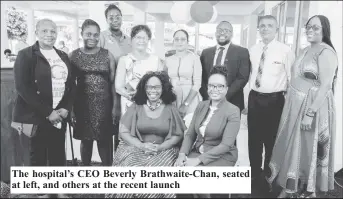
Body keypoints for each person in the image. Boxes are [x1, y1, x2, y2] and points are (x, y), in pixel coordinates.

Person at [266, 15, 338, 198]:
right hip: (295, 107)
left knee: (307, 148)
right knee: (295, 148)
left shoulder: (326, 52)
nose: (310, 30)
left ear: (324, 30)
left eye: (315, 27)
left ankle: (307, 189)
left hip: (312, 110)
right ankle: (292, 186)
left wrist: (310, 113)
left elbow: (326, 85)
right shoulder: (306, 50)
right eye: (308, 27)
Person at [12, 18, 75, 198]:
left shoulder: (62, 55)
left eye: (53, 31)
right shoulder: (26, 55)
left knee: (58, 153)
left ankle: (58, 191)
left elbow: (70, 86)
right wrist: (48, 112)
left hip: (59, 113)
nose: (49, 34)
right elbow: (22, 87)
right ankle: (39, 194)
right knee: (37, 154)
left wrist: (65, 108)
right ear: (37, 33)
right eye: (45, 31)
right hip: (35, 114)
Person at [105, 71, 186, 198]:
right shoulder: (136, 106)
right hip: (135, 147)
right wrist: (141, 146)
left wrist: (161, 147)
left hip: (164, 149)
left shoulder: (170, 108)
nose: (152, 90)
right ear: (144, 88)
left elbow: (178, 135)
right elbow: (124, 132)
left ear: (163, 89)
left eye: (157, 87)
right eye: (149, 86)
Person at [247, 15, 296, 194]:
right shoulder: (252, 50)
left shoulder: (285, 51)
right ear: (258, 29)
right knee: (253, 140)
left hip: (275, 101)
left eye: (269, 26)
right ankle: (253, 175)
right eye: (262, 26)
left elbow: (292, 80)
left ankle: (269, 177)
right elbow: (252, 75)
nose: (265, 28)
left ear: (276, 29)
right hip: (254, 98)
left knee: (271, 141)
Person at [175, 66, 240, 198]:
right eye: (211, 85)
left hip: (222, 156)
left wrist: (197, 160)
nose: (214, 89)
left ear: (226, 89)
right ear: (207, 87)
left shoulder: (233, 110)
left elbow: (226, 145)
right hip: (198, 152)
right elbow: (190, 134)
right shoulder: (201, 105)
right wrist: (182, 154)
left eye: (220, 86)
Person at [69, 19, 116, 166]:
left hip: (104, 103)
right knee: (86, 140)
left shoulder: (108, 55)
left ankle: (108, 173)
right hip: (82, 104)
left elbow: (113, 83)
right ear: (82, 34)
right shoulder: (73, 56)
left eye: (96, 35)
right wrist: (70, 109)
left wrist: (116, 107)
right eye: (88, 34)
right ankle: (86, 173)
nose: (92, 38)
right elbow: (69, 85)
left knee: (104, 140)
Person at [99, 4, 132, 150]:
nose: (115, 20)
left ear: (122, 18)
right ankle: (108, 162)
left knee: (122, 123)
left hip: (124, 87)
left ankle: (119, 158)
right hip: (106, 86)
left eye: (117, 16)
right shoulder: (101, 37)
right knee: (108, 122)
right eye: (111, 17)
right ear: (107, 19)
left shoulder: (129, 39)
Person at [200, 21, 250, 113]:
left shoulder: (242, 52)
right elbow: (201, 77)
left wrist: (224, 96)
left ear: (232, 34)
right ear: (215, 33)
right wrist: (207, 96)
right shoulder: (205, 53)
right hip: (209, 101)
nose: (222, 33)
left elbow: (242, 78)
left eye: (226, 30)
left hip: (232, 101)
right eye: (220, 30)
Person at [116, 25, 165, 116]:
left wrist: (150, 99)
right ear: (132, 40)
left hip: (152, 104)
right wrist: (134, 97)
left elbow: (162, 85)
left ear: (148, 40)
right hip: (130, 103)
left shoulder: (156, 60)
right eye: (138, 37)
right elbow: (119, 87)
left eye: (144, 38)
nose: (141, 41)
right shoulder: (124, 60)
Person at [165, 29, 202, 118]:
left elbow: (197, 84)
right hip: (173, 97)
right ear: (173, 42)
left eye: (183, 39)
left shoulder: (195, 59)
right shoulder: (168, 60)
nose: (179, 42)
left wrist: (186, 104)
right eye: (176, 39)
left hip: (190, 97)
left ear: (187, 42)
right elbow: (165, 82)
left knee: (189, 126)